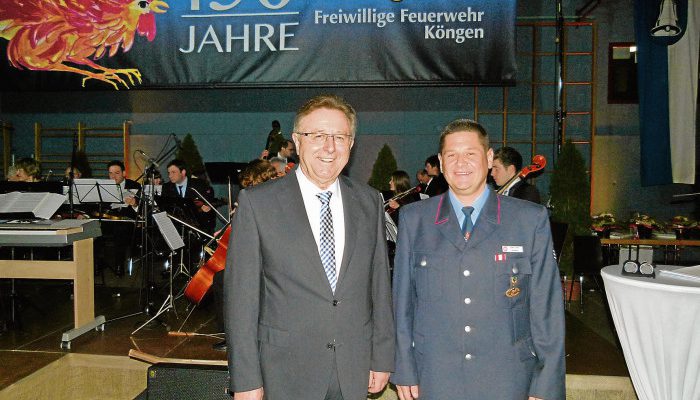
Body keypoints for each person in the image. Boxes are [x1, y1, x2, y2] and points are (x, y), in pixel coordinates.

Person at [225, 94, 394, 400]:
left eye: (339, 136)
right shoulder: (258, 203)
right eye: (317, 135)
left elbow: (379, 284)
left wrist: (382, 356)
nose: (329, 147)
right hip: (284, 372)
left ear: (351, 143)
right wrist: (246, 377)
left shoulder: (370, 201)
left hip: (353, 368)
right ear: (297, 141)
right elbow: (241, 299)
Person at [392, 119, 565, 400]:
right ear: (441, 161)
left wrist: (546, 383)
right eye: (452, 155)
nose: (461, 163)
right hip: (434, 375)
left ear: (488, 158)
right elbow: (402, 303)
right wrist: (404, 367)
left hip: (508, 377)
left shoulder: (528, 220)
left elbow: (546, 307)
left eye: (470, 154)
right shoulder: (415, 219)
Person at [211, 159, 278, 352]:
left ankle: (231, 335)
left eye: (249, 182)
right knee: (223, 278)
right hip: (262, 258)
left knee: (224, 279)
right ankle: (232, 334)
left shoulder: (260, 198)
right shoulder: (273, 195)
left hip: (267, 262)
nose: (246, 187)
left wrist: (239, 218)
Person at [161, 159, 216, 234]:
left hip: (199, 229)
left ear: (183, 172)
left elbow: (209, 201)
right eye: (169, 173)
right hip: (177, 230)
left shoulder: (199, 184)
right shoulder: (166, 187)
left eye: (173, 172)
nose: (170, 176)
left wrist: (207, 207)